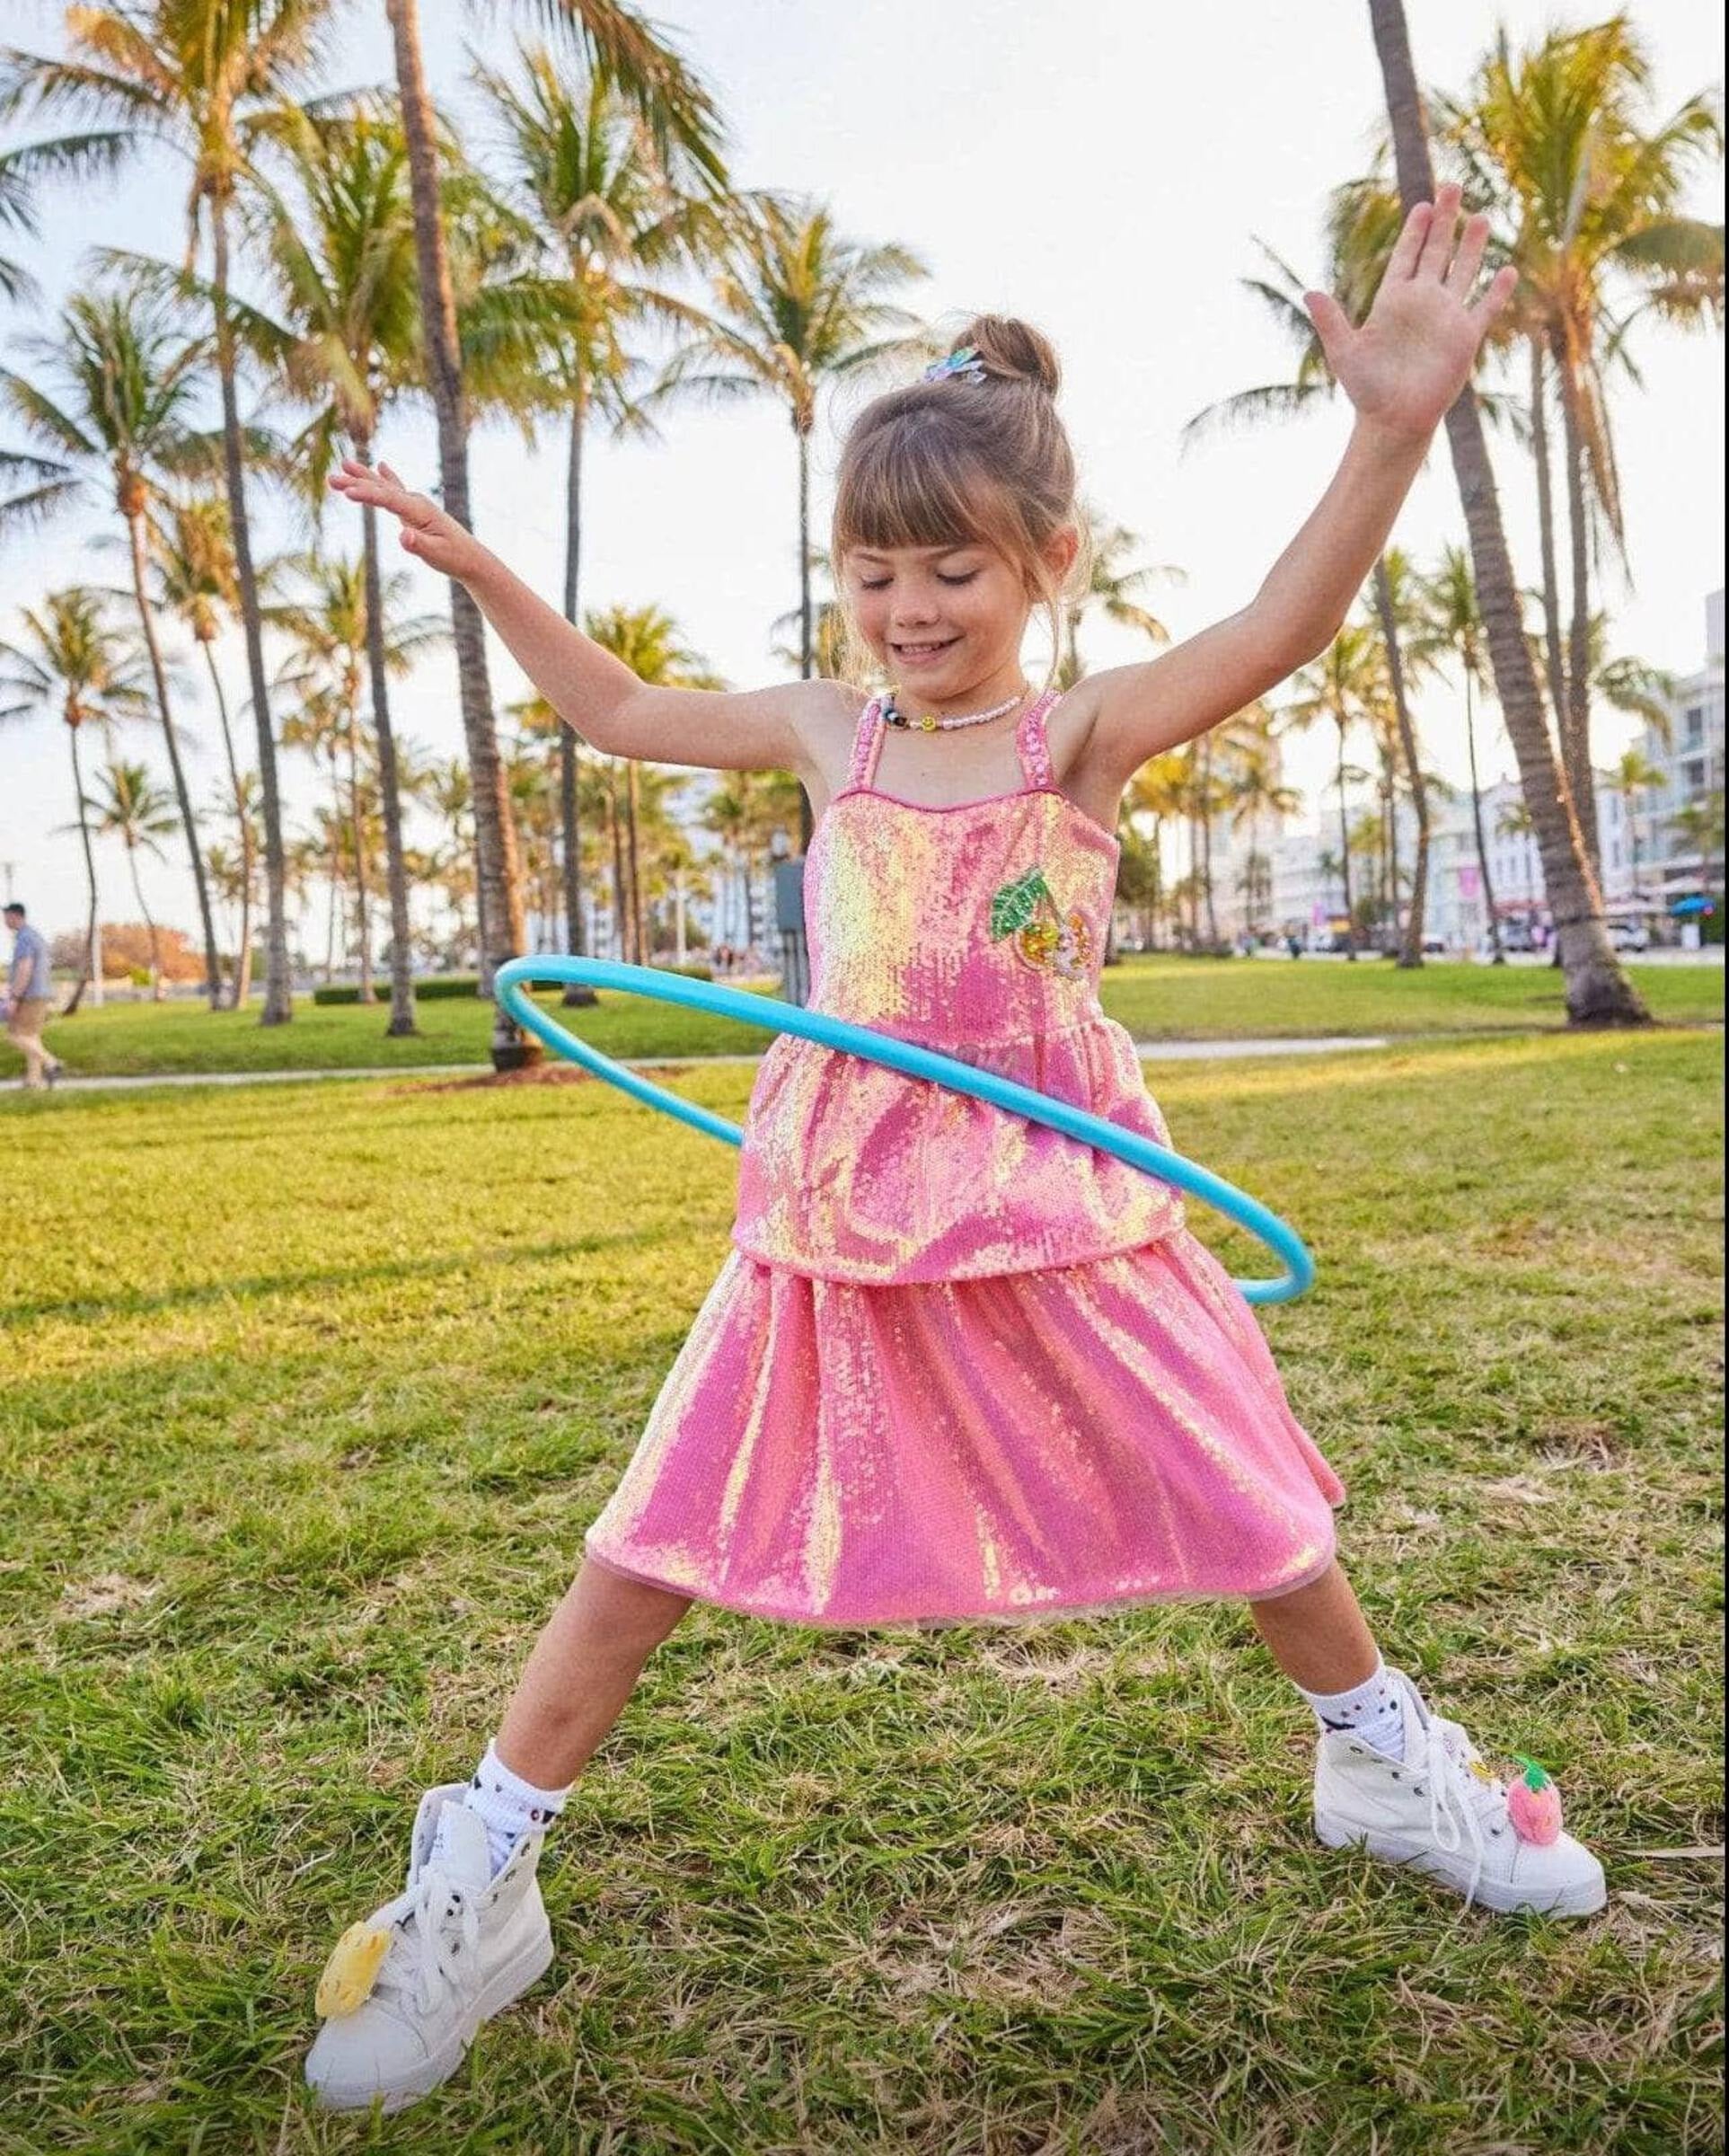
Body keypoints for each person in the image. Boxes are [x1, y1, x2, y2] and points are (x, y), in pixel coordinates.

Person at [308, 187, 1604, 2116]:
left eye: (952, 574)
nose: (908, 613)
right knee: (651, 1539)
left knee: (1248, 1495)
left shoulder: (1072, 740)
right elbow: (612, 703)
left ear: (1043, 564)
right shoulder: (825, 736)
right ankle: (482, 1870)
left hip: (1061, 1189)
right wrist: (480, 568)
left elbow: (1281, 622)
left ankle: (1370, 1753)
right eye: (871, 574)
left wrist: (1387, 428)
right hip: (838, 1207)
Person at [4, 902, 64, 1091]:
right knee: (31, 1036)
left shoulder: (24, 938)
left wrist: (14, 997)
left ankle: (51, 1062)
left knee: (14, 1035)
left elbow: (25, 968)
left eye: (5, 917)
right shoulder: (35, 935)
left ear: (15, 916)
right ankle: (33, 1080)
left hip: (30, 995)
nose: (4, 921)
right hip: (41, 993)